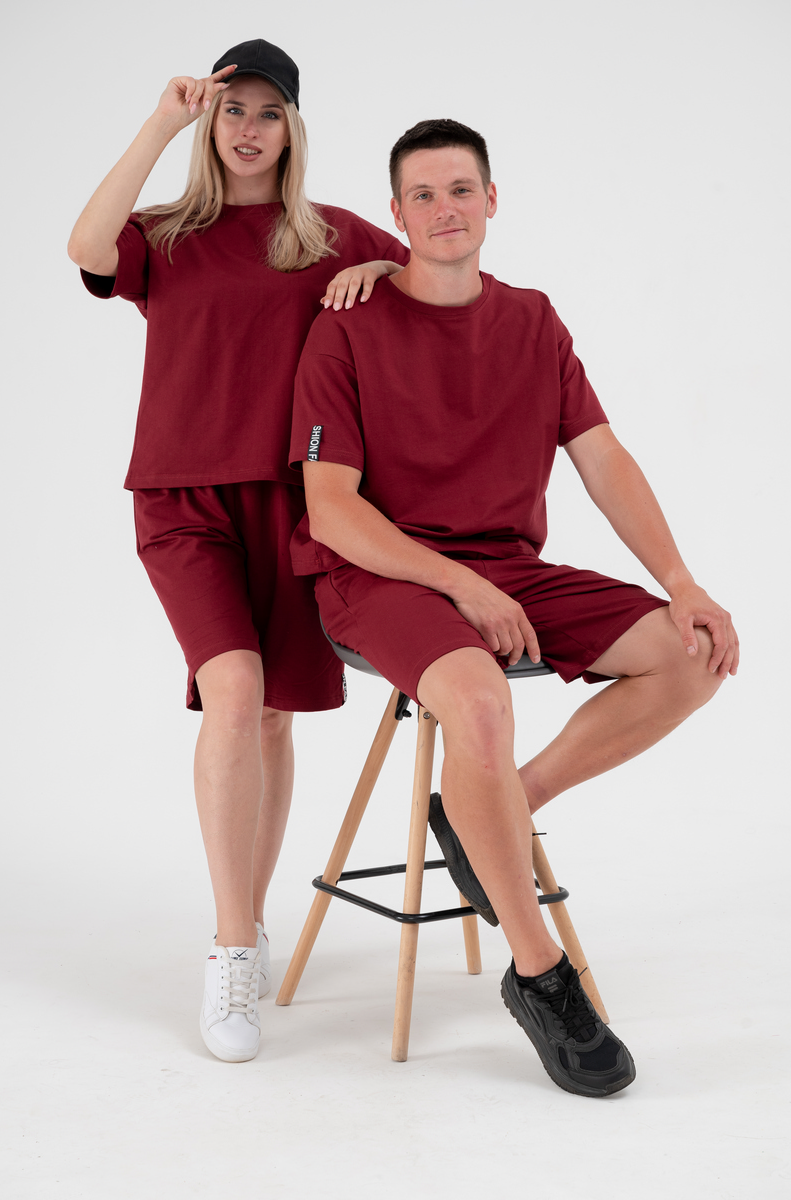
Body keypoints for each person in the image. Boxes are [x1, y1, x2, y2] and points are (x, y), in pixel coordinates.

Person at [289, 119, 738, 1097]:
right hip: (380, 576)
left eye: (461, 189)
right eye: (422, 195)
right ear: (396, 213)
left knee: (691, 654)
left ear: (492, 200)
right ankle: (540, 975)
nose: (444, 209)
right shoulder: (347, 327)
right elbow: (331, 509)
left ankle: (498, 806)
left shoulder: (533, 320)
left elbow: (603, 457)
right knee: (481, 700)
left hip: (507, 569)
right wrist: (460, 585)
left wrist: (684, 582)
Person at [67, 39, 408, 1064]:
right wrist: (161, 120)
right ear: (210, 123)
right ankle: (229, 950)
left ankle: (250, 923)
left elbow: (430, 285)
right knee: (233, 688)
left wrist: (384, 269)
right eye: (232, 110)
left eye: (267, 112)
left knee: (269, 716)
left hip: (295, 503)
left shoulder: (333, 237)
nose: (249, 128)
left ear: (292, 128)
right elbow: (84, 245)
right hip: (181, 500)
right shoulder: (166, 235)